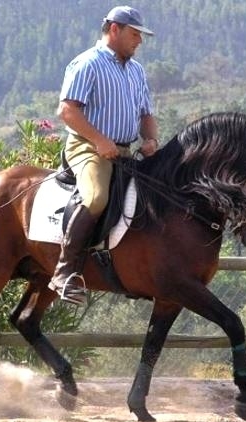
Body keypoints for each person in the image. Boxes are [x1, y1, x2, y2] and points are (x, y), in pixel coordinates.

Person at [49, 5, 159, 304]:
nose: (140, 41)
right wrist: (99, 140)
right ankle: (63, 271)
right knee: (97, 197)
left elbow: (146, 113)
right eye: (135, 34)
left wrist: (150, 138)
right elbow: (68, 111)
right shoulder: (87, 63)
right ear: (114, 30)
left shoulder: (136, 71)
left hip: (125, 151)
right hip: (88, 147)